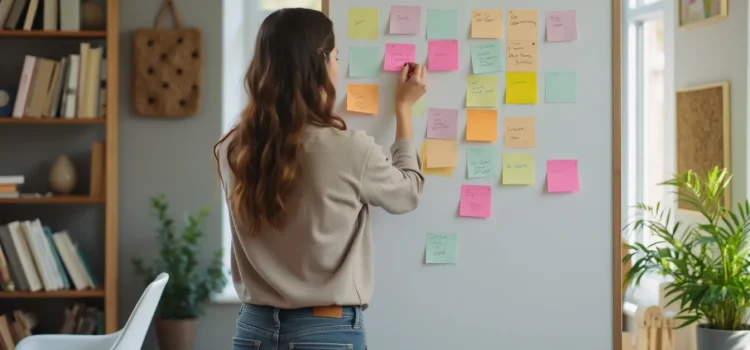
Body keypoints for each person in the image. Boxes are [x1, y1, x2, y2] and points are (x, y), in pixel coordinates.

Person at [214, 7, 426, 350]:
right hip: (325, 331)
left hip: (252, 330)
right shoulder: (349, 149)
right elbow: (408, 193)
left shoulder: (230, 149)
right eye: (337, 57)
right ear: (321, 63)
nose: (338, 67)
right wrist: (404, 112)